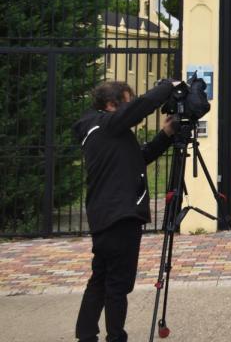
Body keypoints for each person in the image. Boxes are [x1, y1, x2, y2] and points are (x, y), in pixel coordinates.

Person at [72, 79, 178, 342]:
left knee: (101, 277)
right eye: (126, 102)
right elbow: (142, 107)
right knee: (118, 283)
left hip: (106, 214)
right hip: (120, 215)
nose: (130, 108)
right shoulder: (107, 124)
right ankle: (116, 336)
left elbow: (138, 158)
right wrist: (168, 86)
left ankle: (86, 334)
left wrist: (165, 135)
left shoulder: (102, 130)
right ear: (111, 105)